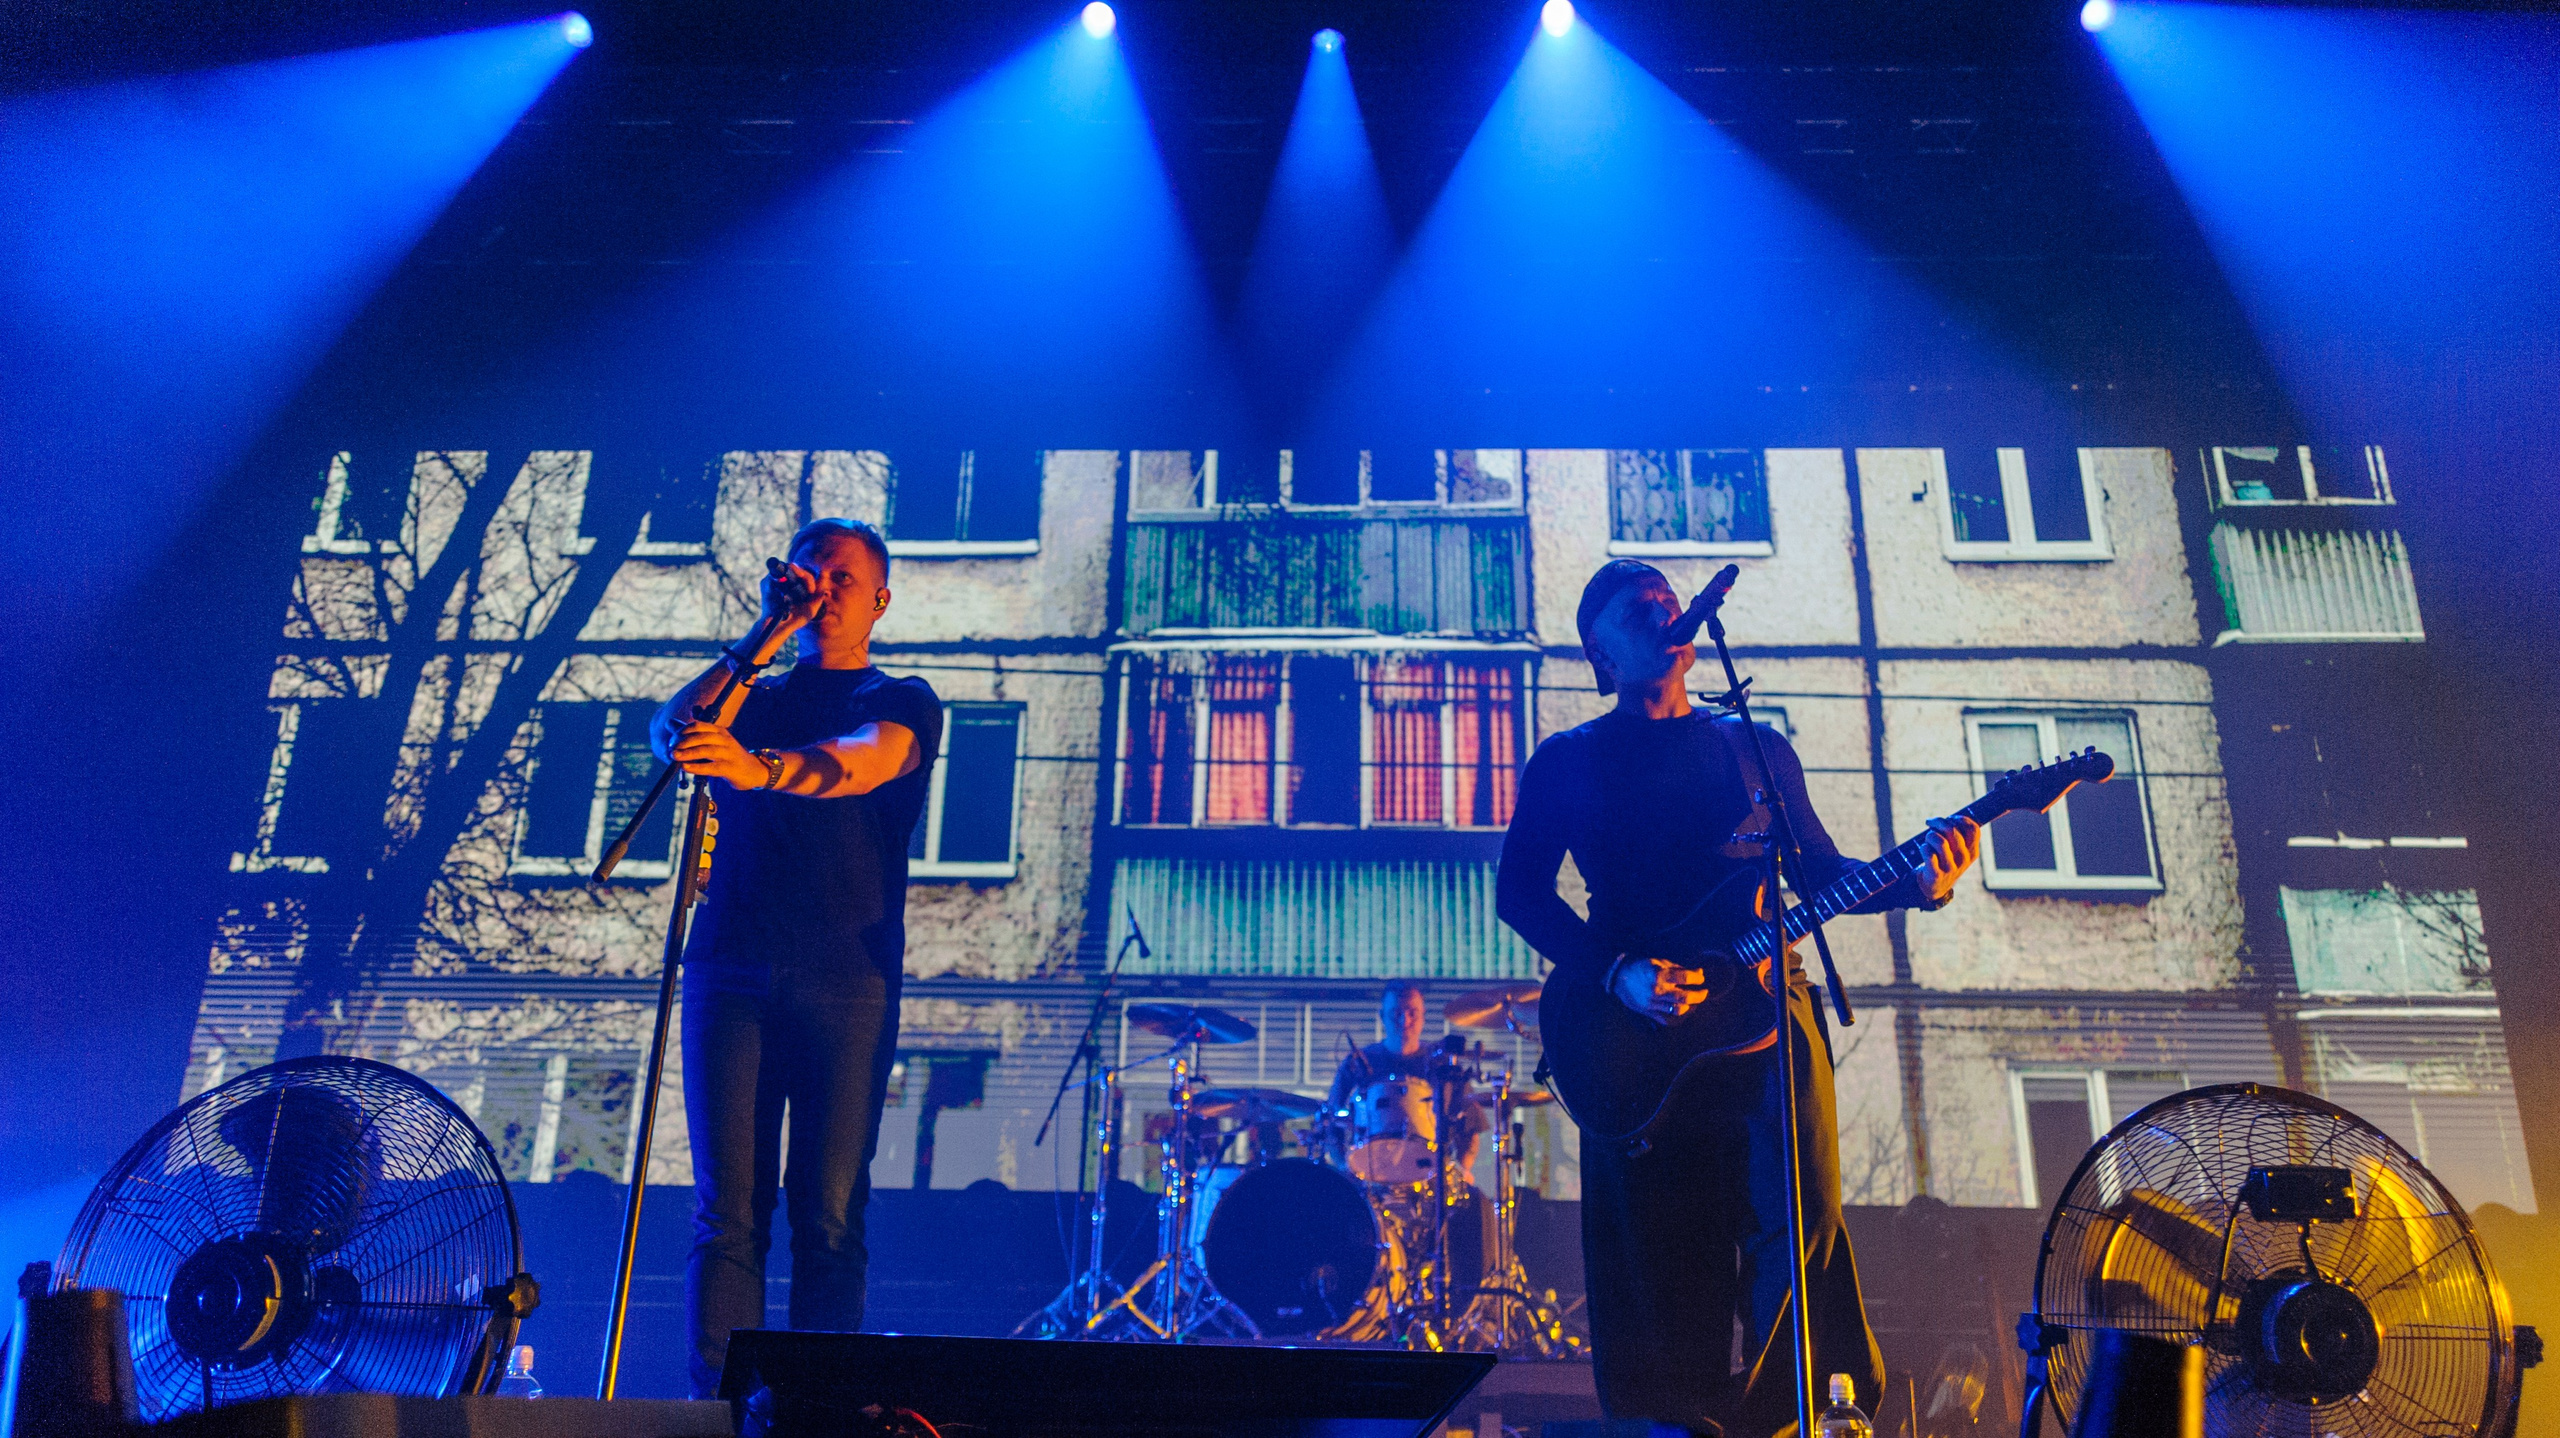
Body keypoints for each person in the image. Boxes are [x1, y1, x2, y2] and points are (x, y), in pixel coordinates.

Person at [1496, 559, 1980, 1438]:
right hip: (1635, 1036)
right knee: (1660, 1251)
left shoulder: (1749, 745)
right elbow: (1520, 895)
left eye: (1668, 604)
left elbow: (1823, 874)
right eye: (1636, 612)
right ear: (1598, 655)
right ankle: (1672, 1427)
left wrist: (1919, 884)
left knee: (1798, 1229)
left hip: (1764, 1019)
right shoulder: (1569, 761)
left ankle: (1792, 1423)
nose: (1662, 615)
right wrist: (1615, 970)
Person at [651, 517, 943, 1398]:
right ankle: (720, 1409)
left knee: (827, 1216)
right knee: (726, 1214)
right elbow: (674, 732)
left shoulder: (900, 697)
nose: (821, 589)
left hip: (845, 981)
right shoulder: (758, 690)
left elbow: (856, 765)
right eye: (807, 575)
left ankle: (819, 1415)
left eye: (843, 578)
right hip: (729, 966)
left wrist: (757, 768)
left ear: (880, 600)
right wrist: (759, 638)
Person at [1323, 980, 1488, 1183]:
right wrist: (1343, 1167)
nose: (1405, 1020)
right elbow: (1329, 1119)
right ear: (1382, 1017)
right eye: (1396, 1013)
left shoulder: (1443, 1064)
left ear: (1423, 1017)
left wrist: (1462, 1171)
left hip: (1432, 1180)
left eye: (1412, 1013)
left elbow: (1471, 1125)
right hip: (1368, 1177)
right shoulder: (1357, 1063)